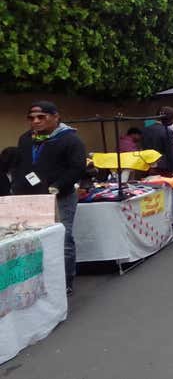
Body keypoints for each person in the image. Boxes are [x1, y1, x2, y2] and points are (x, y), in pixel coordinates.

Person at [14, 101, 86, 295]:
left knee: (63, 238)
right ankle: (40, 279)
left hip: (60, 198)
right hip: (32, 198)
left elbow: (78, 167)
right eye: (31, 118)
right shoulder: (26, 139)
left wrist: (57, 186)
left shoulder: (70, 140)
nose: (35, 121)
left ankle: (65, 281)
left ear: (56, 117)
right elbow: (22, 166)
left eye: (41, 117)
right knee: (33, 238)